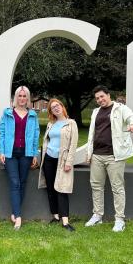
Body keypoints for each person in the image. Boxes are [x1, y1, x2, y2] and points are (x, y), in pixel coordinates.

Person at [85, 85, 133, 232]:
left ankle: (119, 220)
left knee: (117, 188)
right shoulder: (95, 112)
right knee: (96, 186)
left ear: (109, 95)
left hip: (114, 156)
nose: (100, 100)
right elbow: (92, 133)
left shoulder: (120, 108)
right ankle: (97, 216)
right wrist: (89, 153)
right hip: (97, 155)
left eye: (102, 96)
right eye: (97, 98)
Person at [0, 86, 39, 230]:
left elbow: (35, 136)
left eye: (24, 96)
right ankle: (19, 217)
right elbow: (2, 132)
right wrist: (2, 151)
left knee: (22, 182)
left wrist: (34, 154)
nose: (22, 98)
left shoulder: (32, 115)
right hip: (10, 153)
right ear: (16, 97)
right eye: (20, 96)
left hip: (26, 153)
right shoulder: (8, 113)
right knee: (15, 182)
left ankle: (15, 213)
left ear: (28, 98)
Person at [38, 98, 78, 232]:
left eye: (57, 105)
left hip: (62, 161)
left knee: (62, 189)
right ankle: (55, 216)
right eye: (52, 107)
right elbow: (46, 141)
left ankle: (65, 221)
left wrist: (69, 162)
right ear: (51, 111)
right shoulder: (51, 124)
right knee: (50, 188)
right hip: (48, 159)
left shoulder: (71, 123)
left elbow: (73, 145)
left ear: (62, 106)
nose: (56, 108)